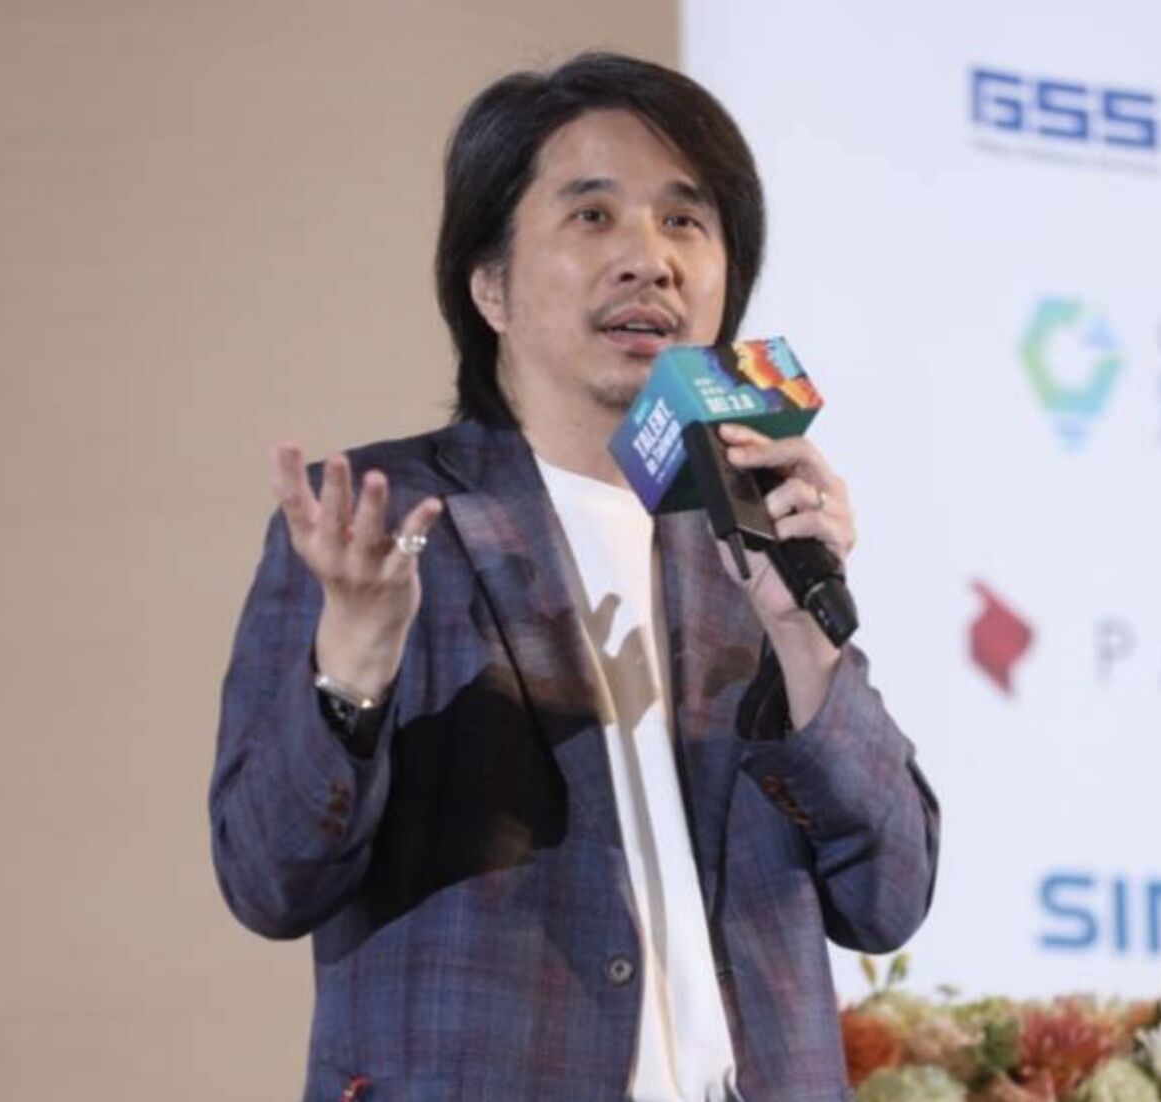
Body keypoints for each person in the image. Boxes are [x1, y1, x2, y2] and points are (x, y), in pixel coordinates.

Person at [209, 52, 939, 1102]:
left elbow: (890, 897)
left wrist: (804, 640)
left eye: (685, 222)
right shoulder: (381, 520)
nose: (650, 260)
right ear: (490, 285)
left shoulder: (747, 535)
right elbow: (267, 877)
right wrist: (353, 668)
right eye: (593, 217)